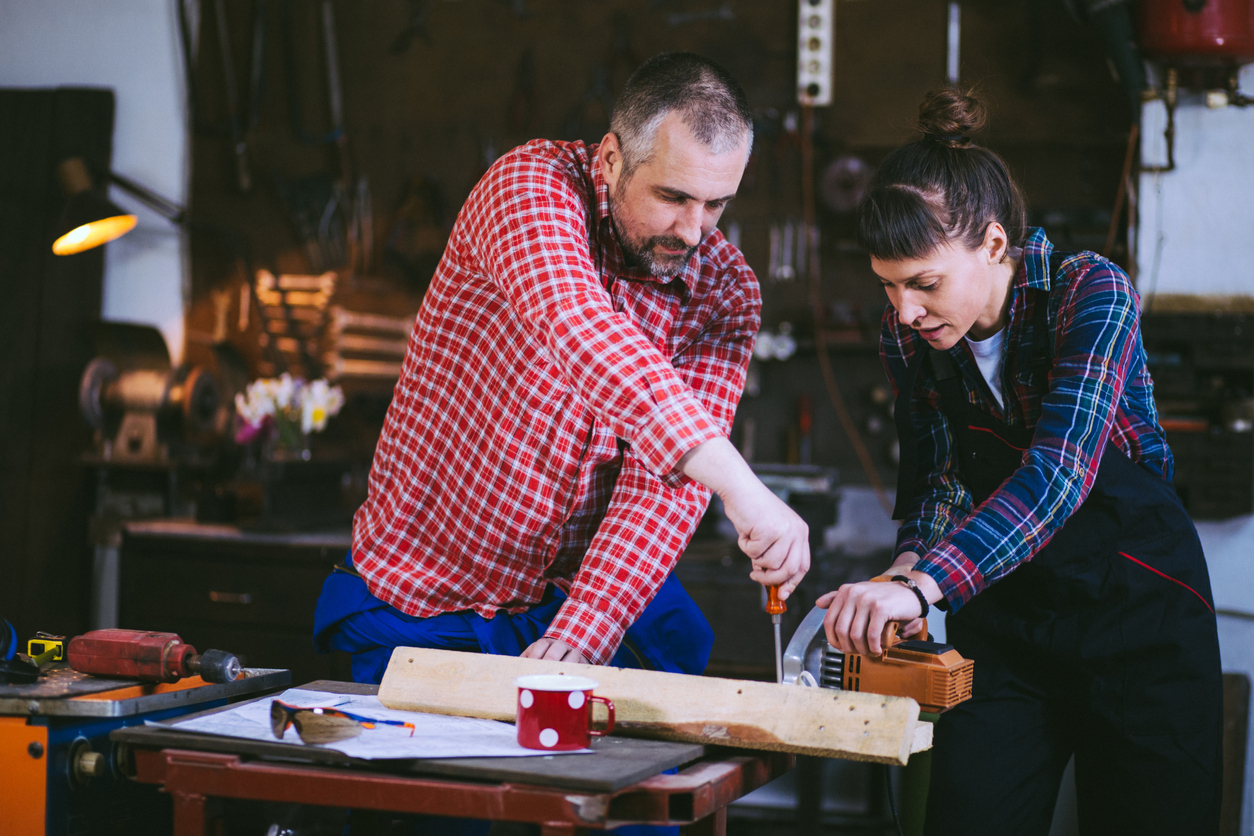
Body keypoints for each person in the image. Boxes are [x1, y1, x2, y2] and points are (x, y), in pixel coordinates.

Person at [313, 52, 809, 834]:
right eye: (673, 196)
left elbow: (659, 494)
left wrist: (579, 638)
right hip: (430, 598)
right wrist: (741, 486)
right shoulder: (529, 188)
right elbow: (582, 334)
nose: (694, 231)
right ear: (611, 159)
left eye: (717, 204)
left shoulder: (724, 289)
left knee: (629, 808)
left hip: (581, 596)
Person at [818, 88, 1222, 835]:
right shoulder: (910, 336)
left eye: (924, 283)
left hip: (1138, 614)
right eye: (888, 285)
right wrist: (903, 573)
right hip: (1009, 620)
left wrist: (928, 587)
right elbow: (940, 481)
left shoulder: (1090, 294)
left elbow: (1057, 475)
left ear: (994, 245)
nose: (904, 310)